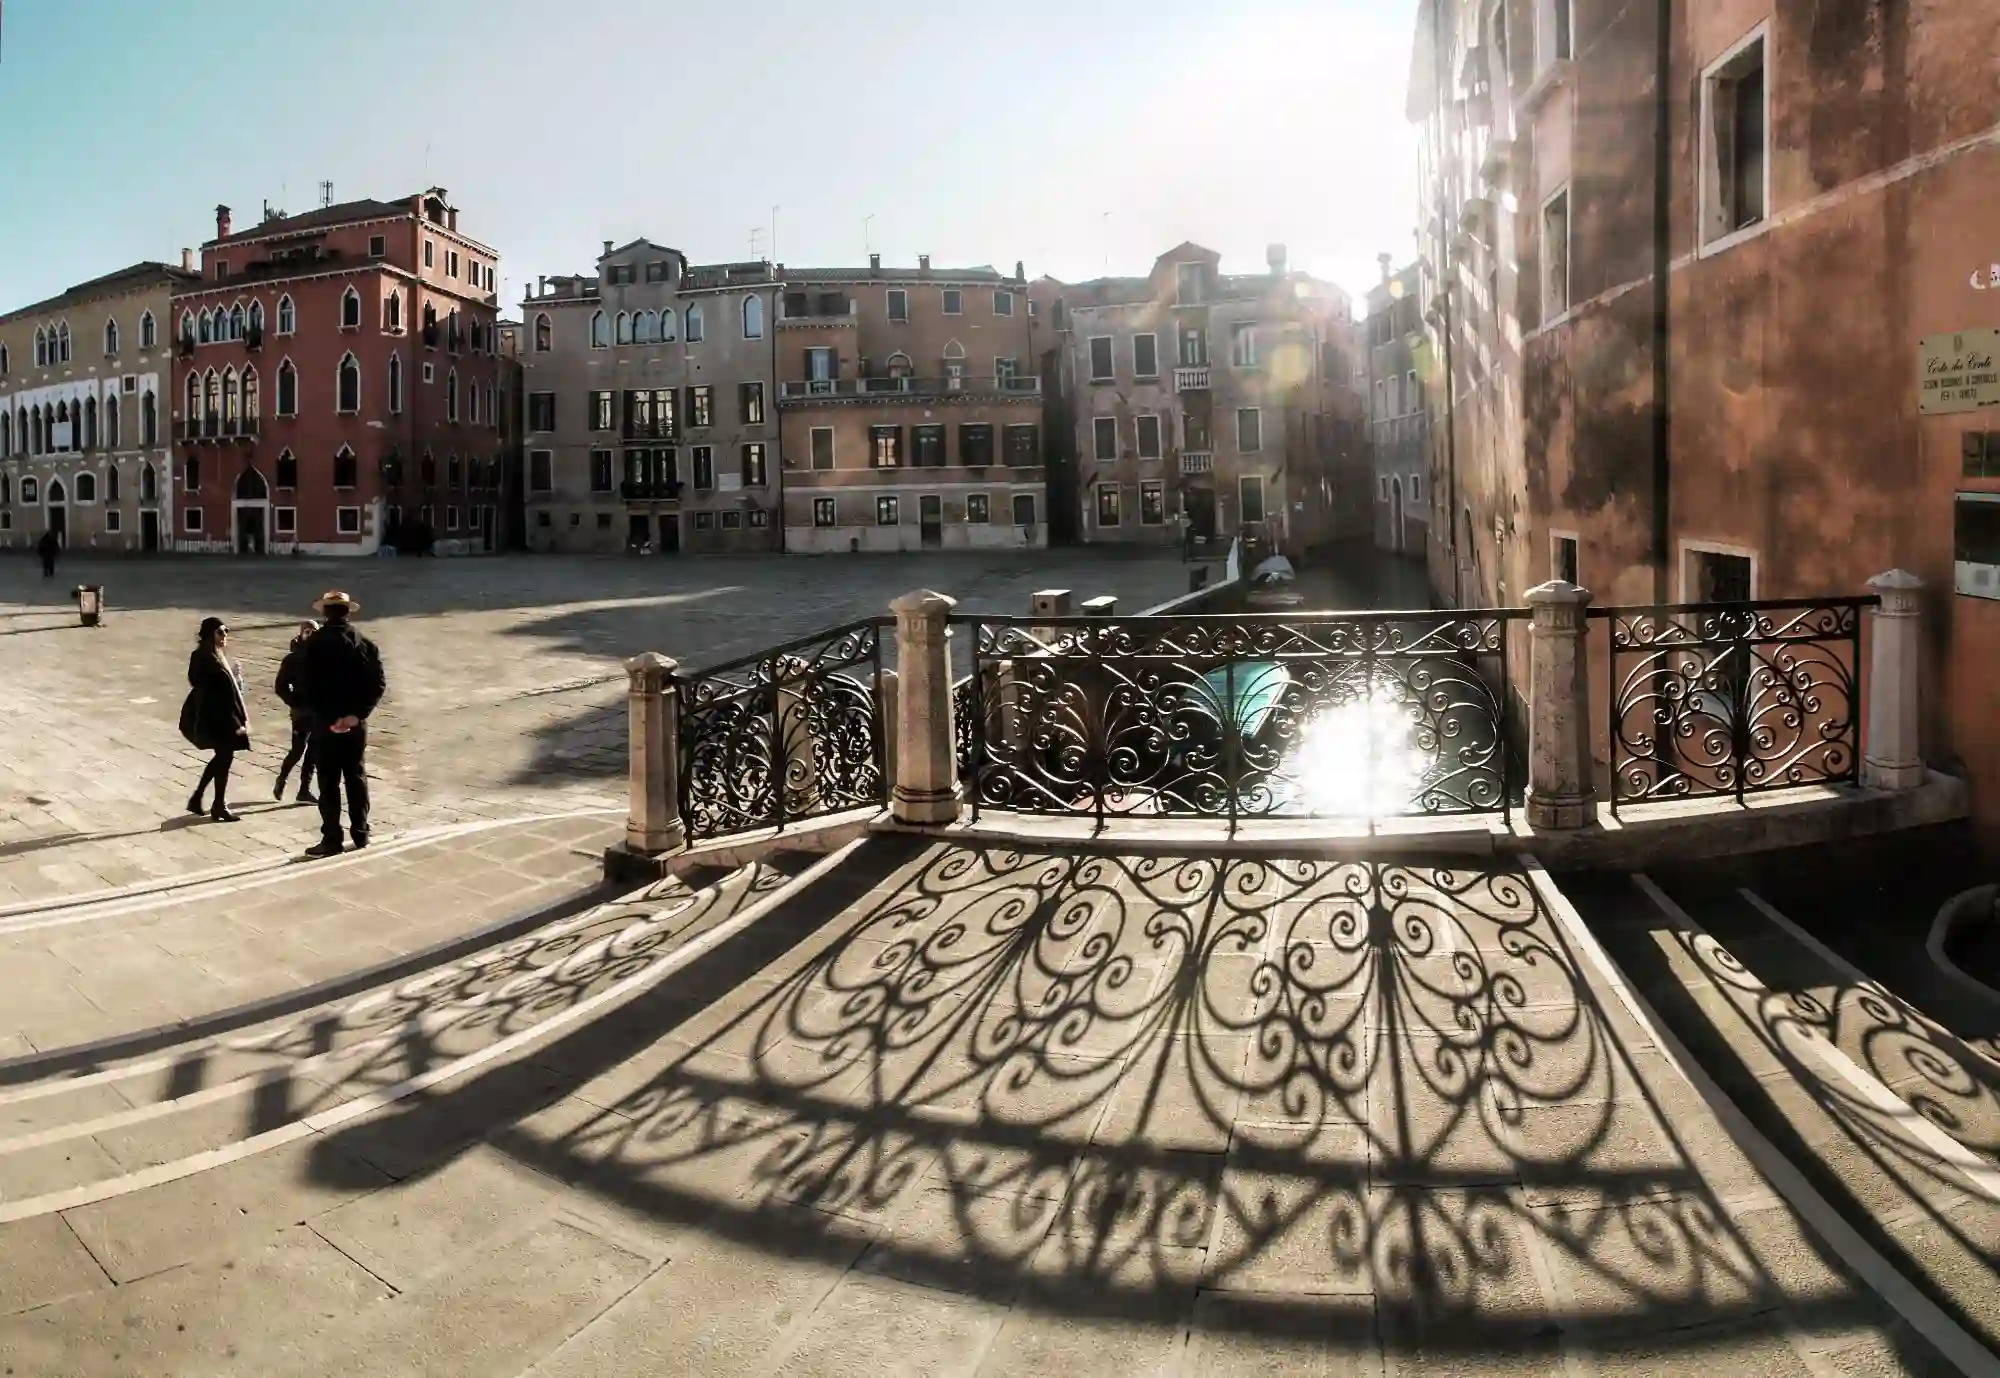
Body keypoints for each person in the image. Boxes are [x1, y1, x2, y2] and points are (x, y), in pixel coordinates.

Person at [298, 590, 385, 857]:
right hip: (355, 724)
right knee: (356, 777)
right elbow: (377, 684)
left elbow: (306, 688)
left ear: (324, 613)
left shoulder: (312, 645)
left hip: (325, 724)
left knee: (328, 780)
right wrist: (356, 715)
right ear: (347, 612)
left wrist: (323, 717)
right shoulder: (365, 644)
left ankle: (331, 839)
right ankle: (361, 832)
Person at [180, 617, 250, 822]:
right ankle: (215, 803)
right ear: (211, 634)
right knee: (224, 757)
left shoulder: (215, 654)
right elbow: (201, 682)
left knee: (223, 757)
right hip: (217, 716)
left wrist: (234, 678)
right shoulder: (204, 656)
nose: (225, 635)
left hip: (223, 715)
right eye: (221, 631)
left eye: (226, 631)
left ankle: (206, 799)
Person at [272, 620, 319, 805]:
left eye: (314, 631)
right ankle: (282, 778)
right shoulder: (292, 659)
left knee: (314, 751)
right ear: (301, 634)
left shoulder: (322, 657)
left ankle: (304, 790)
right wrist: (294, 701)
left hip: (318, 711)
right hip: (301, 712)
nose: (311, 635)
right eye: (308, 631)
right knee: (298, 749)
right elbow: (280, 686)